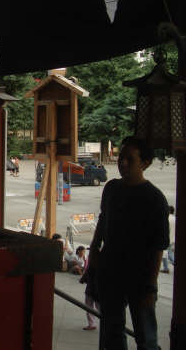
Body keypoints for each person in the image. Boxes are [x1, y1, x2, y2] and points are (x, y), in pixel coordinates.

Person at [88, 136, 169, 350]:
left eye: (130, 159)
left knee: (146, 337)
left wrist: (150, 286)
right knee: (111, 333)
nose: (123, 163)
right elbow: (103, 222)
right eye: (121, 157)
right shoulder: (112, 188)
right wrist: (94, 253)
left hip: (140, 277)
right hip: (110, 272)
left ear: (145, 163)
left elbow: (159, 246)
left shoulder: (155, 199)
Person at [80, 250, 99, 331]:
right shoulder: (102, 261)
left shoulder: (92, 263)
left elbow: (87, 272)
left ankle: (91, 324)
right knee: (98, 306)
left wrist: (82, 279)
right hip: (98, 289)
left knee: (89, 306)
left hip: (91, 288)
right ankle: (105, 322)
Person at [161, 205, 176, 272]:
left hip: (168, 238)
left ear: (169, 211)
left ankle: (166, 268)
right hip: (173, 239)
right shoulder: (175, 219)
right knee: (168, 253)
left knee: (166, 253)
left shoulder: (167, 218)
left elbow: (165, 229)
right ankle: (166, 268)